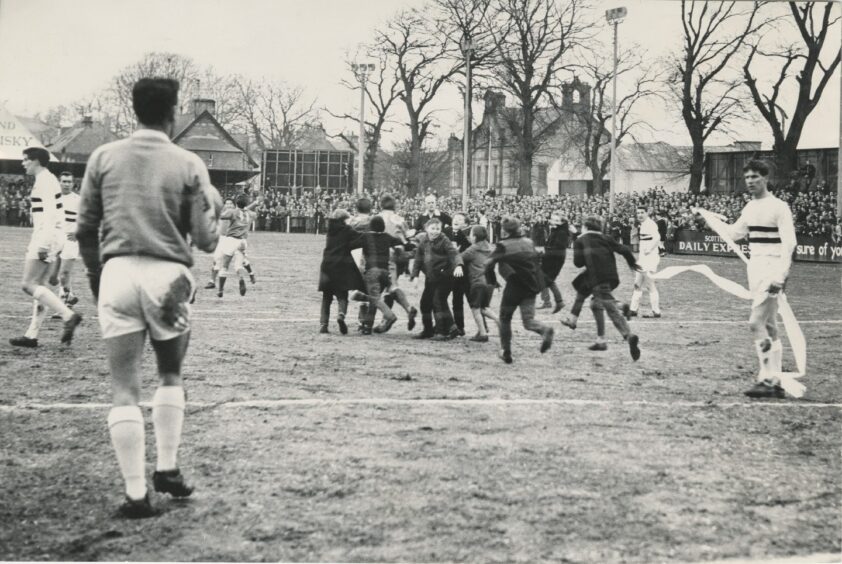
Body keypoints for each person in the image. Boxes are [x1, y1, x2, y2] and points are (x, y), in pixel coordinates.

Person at [77, 78, 222, 518]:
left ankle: (136, 494)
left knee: (124, 388)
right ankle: (169, 467)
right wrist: (212, 209)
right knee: (170, 375)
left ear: (134, 108)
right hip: (168, 277)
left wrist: (96, 274)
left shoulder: (103, 156)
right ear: (174, 111)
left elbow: (85, 229)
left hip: (117, 271)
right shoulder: (188, 162)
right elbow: (207, 240)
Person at [701, 159, 797, 398]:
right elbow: (735, 233)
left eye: (755, 176)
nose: (750, 181)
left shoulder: (779, 207)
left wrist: (781, 275)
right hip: (755, 269)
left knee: (755, 323)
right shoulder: (750, 207)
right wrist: (711, 221)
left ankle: (767, 379)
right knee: (771, 325)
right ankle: (774, 382)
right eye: (747, 178)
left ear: (765, 178)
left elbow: (790, 244)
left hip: (772, 270)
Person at [9, 147, 82, 348]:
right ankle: (32, 335)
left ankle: (68, 315)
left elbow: (50, 215)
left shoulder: (46, 182)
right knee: (39, 286)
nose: (23, 163)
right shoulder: (47, 180)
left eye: (26, 160)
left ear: (37, 161)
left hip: (47, 236)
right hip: (51, 236)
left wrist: (43, 243)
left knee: (28, 284)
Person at [484, 216, 554, 364]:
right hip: (530, 286)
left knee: (504, 318)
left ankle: (506, 351)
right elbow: (536, 262)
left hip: (514, 286)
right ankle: (545, 329)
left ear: (504, 230)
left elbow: (488, 264)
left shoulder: (503, 245)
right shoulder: (529, 242)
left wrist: (492, 279)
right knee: (528, 321)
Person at [573, 215, 641, 359]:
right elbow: (624, 250)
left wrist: (579, 248)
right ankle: (601, 340)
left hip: (597, 277)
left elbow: (578, 263)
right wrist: (632, 263)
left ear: (585, 227)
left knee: (609, 308)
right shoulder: (606, 238)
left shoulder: (581, 240)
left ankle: (629, 335)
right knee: (595, 304)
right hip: (611, 276)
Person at [410, 218, 463, 340]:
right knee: (425, 303)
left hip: (445, 277)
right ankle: (429, 330)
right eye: (432, 228)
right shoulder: (424, 241)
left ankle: (441, 331)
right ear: (426, 229)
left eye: (437, 229)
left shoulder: (444, 240)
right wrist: (415, 276)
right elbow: (418, 259)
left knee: (438, 301)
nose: (435, 231)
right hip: (431, 278)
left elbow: (454, 253)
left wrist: (458, 266)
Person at [318, 208, 364, 334]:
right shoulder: (347, 230)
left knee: (326, 297)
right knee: (342, 295)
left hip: (327, 265)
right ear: (343, 220)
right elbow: (360, 240)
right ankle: (341, 315)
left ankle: (323, 324)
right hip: (341, 265)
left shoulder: (330, 230)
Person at [378, 193, 417, 330]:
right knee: (390, 287)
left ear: (380, 205)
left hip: (382, 255)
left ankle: (372, 321)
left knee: (383, 288)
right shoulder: (400, 219)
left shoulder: (377, 218)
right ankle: (405, 310)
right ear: (394, 206)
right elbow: (408, 240)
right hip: (399, 256)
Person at [360, 215, 403, 334]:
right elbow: (399, 242)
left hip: (372, 271)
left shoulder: (366, 237)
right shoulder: (387, 237)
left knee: (374, 298)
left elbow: (353, 244)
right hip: (385, 272)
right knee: (375, 298)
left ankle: (388, 316)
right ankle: (367, 326)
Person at [216, 194, 260, 298]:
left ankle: (220, 290)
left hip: (231, 240)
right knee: (239, 265)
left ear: (236, 203)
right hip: (243, 241)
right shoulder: (251, 214)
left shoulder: (232, 212)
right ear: (246, 204)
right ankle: (241, 278)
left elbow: (221, 216)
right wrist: (254, 204)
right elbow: (253, 213)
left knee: (225, 265)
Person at [460, 224, 499, 342]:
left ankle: (483, 333)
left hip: (477, 282)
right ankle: (495, 323)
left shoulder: (473, 249)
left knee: (475, 308)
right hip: (490, 281)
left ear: (475, 237)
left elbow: (460, 258)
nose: (469, 237)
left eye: (471, 235)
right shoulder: (490, 248)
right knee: (484, 307)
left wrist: (455, 252)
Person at [628, 207, 662, 318]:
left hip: (650, 259)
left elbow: (657, 237)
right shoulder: (643, 224)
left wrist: (650, 249)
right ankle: (633, 310)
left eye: (642, 212)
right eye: (638, 213)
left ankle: (656, 311)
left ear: (647, 213)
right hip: (643, 259)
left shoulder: (651, 224)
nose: (640, 215)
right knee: (637, 284)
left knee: (649, 285)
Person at [538, 211, 571, 313]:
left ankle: (555, 301)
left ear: (561, 222)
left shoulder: (561, 232)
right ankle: (553, 301)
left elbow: (557, 248)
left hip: (555, 259)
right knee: (545, 279)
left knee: (546, 279)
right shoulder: (557, 230)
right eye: (552, 219)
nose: (552, 221)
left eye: (556, 220)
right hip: (552, 256)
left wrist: (543, 255)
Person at [449, 212, 471, 336]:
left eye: (460, 219)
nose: (456, 220)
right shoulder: (449, 233)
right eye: (455, 218)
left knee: (471, 299)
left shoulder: (467, 236)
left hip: (466, 271)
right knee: (456, 300)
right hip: (454, 272)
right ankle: (459, 326)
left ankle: (482, 326)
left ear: (466, 224)